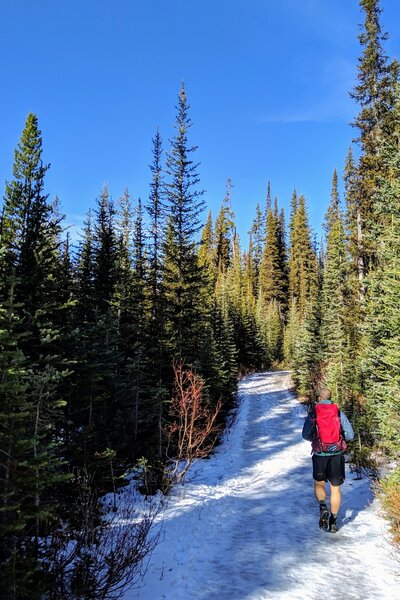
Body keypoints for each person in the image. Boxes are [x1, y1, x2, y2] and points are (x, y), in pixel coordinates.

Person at [302, 388, 354, 533]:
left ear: (319, 398)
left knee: (319, 483)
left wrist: (316, 439)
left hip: (320, 454)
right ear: (330, 398)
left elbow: (305, 434)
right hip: (337, 455)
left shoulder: (314, 412)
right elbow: (350, 435)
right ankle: (333, 520)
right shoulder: (338, 412)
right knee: (335, 489)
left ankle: (323, 506)